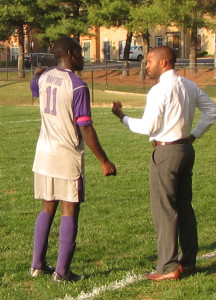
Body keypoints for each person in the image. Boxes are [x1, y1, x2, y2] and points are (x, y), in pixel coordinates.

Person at [112, 46, 216, 281]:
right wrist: (194, 135)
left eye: (149, 61)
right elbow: (212, 110)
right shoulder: (188, 85)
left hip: (166, 152)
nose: (146, 65)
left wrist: (123, 117)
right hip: (185, 149)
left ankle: (168, 266)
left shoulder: (160, 90)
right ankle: (188, 261)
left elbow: (148, 127)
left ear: (163, 63)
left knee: (165, 209)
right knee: (184, 206)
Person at [29, 36, 116, 282]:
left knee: (47, 207)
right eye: (79, 52)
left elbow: (34, 87)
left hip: (43, 153)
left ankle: (36, 265)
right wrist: (103, 159)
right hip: (66, 155)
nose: (83, 57)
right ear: (70, 53)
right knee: (69, 210)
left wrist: (35, 74)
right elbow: (85, 127)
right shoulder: (77, 85)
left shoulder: (45, 77)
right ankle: (62, 271)